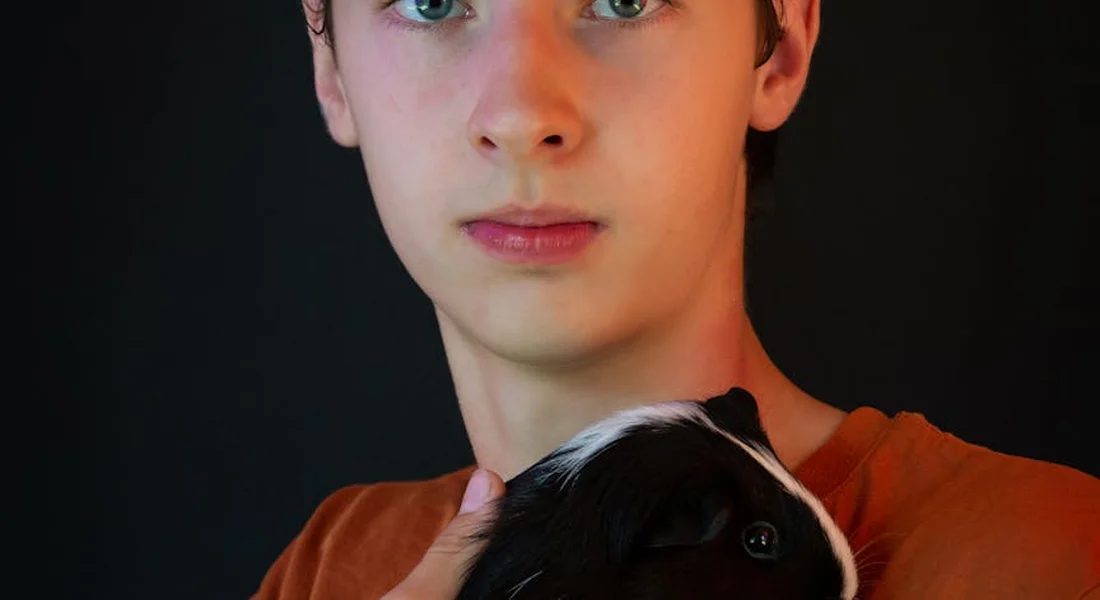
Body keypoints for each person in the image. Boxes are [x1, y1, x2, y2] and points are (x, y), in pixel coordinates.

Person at [253, 0, 1100, 598]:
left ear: (781, 48)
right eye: (432, 2)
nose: (519, 115)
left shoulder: (1053, 561)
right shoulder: (335, 567)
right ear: (329, 65)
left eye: (624, 0)